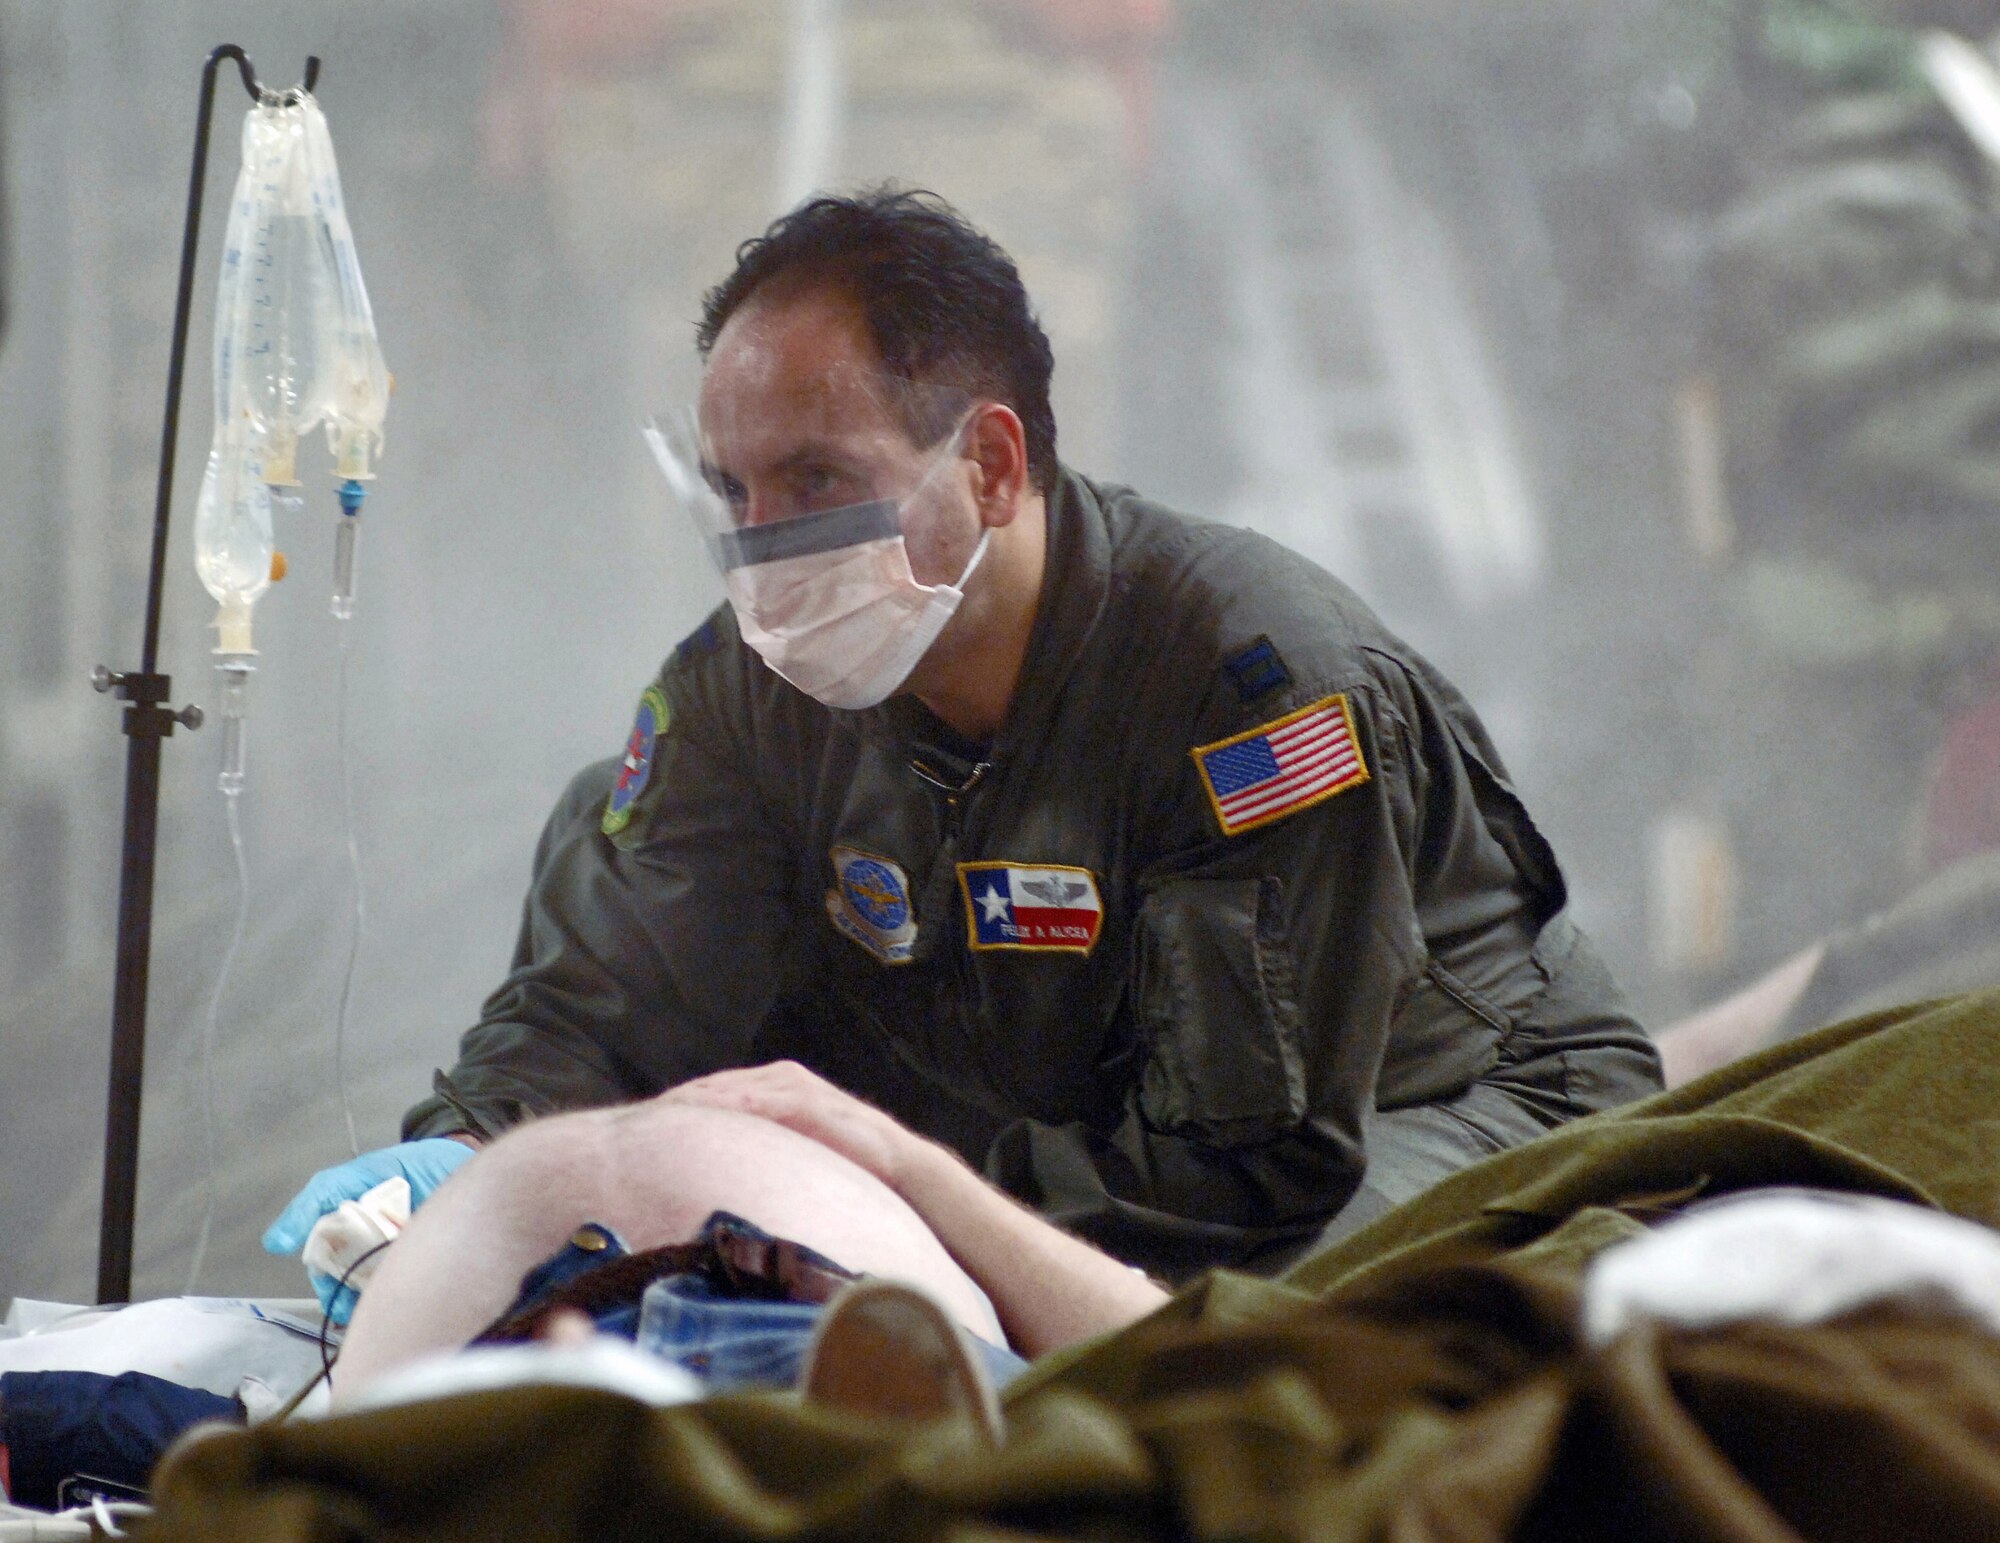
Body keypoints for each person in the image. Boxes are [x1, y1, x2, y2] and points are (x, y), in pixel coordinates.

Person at [268, 188, 1661, 1308]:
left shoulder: (1255, 692)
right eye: (732, 490)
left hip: (1431, 1100)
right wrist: (462, 1147)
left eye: (817, 479)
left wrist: (890, 1185)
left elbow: (1247, 1168)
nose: (762, 546)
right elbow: (609, 994)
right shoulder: (756, 686)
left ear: (991, 466)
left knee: (1243, 1338)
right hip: (1052, 1097)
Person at [330, 1065, 1170, 1409]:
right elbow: (1190, 1355)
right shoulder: (729, 731)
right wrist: (910, 1166)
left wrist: (913, 1164)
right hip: (873, 1399)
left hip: (489, 1412)